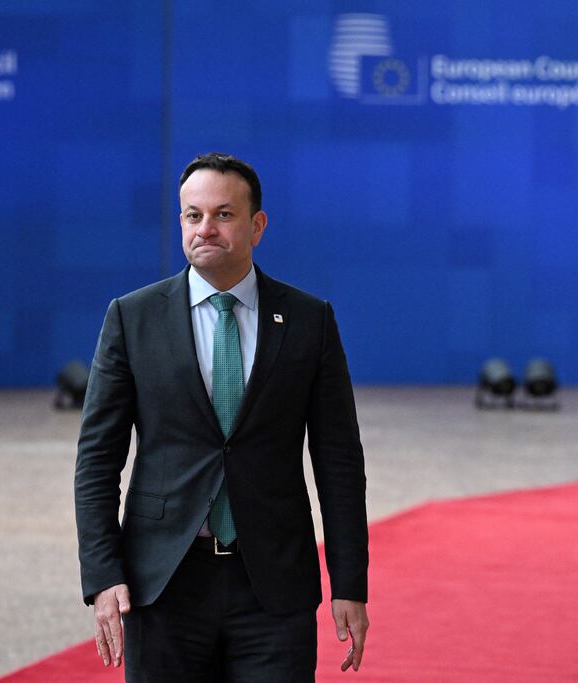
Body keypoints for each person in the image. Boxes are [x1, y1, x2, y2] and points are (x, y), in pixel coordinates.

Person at [74, 152, 368, 682]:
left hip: (274, 587)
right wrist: (102, 573)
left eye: (224, 215)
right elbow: (96, 460)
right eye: (193, 215)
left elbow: (339, 461)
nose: (205, 228)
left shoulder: (309, 320)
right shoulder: (132, 317)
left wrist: (349, 582)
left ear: (257, 225)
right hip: (162, 583)